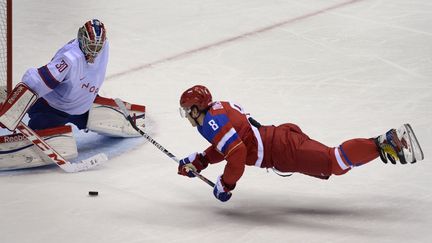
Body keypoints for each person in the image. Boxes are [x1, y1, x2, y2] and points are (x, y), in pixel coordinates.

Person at [177, 85, 424, 202]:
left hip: (282, 149)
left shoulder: (211, 122)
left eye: (187, 110)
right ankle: (381, 145)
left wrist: (226, 184)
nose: (186, 115)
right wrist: (203, 160)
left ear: (197, 108)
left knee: (333, 161)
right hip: (279, 141)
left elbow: (237, 154)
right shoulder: (218, 110)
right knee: (331, 163)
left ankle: (387, 142)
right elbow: (232, 143)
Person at [0, 19, 145, 170]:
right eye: (90, 47)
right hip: (52, 109)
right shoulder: (70, 57)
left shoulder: (104, 46)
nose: (94, 53)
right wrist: (11, 108)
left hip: (84, 104)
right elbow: (39, 80)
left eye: (97, 47)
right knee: (39, 128)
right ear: (81, 39)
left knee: (83, 98)